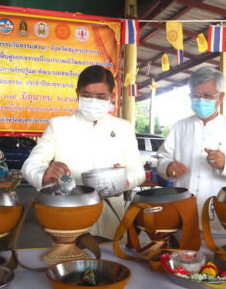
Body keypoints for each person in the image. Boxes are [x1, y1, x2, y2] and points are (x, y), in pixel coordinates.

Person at [21, 65, 145, 239]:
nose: (93, 101)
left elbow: (138, 172)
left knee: (111, 262)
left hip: (111, 218)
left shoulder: (123, 128)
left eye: (101, 96)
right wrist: (44, 173)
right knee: (70, 260)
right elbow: (30, 165)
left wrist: (123, 180)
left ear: (112, 96)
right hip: (69, 217)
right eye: (87, 96)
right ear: (77, 93)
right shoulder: (58, 126)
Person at [157, 66, 226, 233]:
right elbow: (162, 160)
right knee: (181, 254)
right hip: (182, 211)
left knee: (213, 256)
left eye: (207, 96)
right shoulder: (179, 127)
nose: (201, 100)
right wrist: (168, 167)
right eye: (196, 96)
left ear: (220, 97)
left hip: (220, 215)